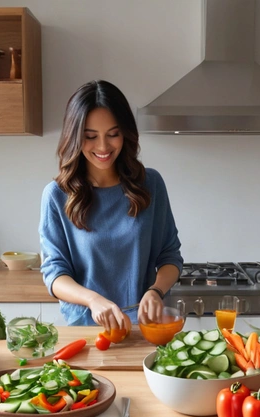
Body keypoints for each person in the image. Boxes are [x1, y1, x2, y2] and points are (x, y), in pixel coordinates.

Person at [39, 80, 183, 332]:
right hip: (89, 330)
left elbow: (170, 256)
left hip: (146, 330)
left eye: (113, 134)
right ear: (75, 137)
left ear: (125, 133)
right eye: (90, 137)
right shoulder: (56, 195)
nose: (103, 147)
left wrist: (156, 291)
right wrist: (93, 300)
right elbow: (54, 273)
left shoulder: (151, 184)